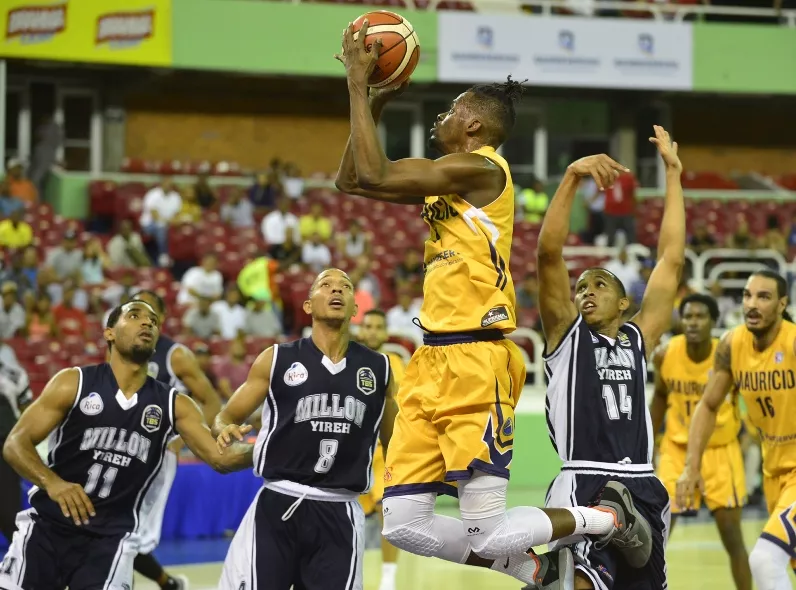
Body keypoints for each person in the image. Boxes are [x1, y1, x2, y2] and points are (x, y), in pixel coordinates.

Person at [334, 23, 646, 589]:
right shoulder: (445, 183)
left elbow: (375, 172)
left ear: (473, 124)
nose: (440, 118)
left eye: (450, 110)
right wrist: (371, 105)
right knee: (403, 524)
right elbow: (352, 180)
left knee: (485, 529)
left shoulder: (483, 170)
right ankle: (534, 566)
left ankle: (606, 519)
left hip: (477, 360)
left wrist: (359, 84)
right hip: (430, 363)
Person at [0, 300, 252, 590]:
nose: (147, 323)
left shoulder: (175, 404)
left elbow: (221, 458)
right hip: (48, 528)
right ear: (109, 333)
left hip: (111, 540)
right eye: (134, 316)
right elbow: (15, 444)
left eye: (153, 321)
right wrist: (53, 483)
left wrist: (268, 446)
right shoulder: (74, 382)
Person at [535, 126, 684, 589]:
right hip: (584, 481)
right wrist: (572, 178)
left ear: (625, 303)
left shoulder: (639, 339)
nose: (586, 292)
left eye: (599, 285)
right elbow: (547, 253)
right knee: (578, 583)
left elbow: (672, 261)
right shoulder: (566, 335)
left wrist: (673, 174)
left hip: (642, 482)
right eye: (581, 287)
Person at [212, 268, 398, 589]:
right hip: (280, 503)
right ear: (308, 305)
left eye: (345, 287)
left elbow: (396, 441)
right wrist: (224, 428)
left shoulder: (379, 368)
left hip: (340, 509)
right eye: (325, 285)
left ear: (356, 307)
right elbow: (225, 415)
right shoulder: (277, 359)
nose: (336, 291)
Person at [677, 270, 796, 590]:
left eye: (764, 297)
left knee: (765, 559)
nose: (752, 304)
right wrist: (691, 466)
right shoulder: (732, 344)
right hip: (775, 474)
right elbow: (708, 405)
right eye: (747, 295)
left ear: (782, 304)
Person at [651, 294, 750, 589]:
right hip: (676, 449)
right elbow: (659, 396)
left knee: (732, 535)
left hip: (720, 450)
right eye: (688, 316)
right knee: (659, 532)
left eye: (700, 317)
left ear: (714, 321)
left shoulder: (728, 354)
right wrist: (647, 443)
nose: (693, 322)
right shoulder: (666, 354)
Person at [127, 290, 223, 590]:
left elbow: (211, 403)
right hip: (119, 445)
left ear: (162, 319)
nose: (142, 318)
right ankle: (166, 583)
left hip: (156, 453)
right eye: (135, 311)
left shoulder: (175, 355)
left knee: (132, 535)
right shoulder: (119, 350)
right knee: (112, 529)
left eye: (149, 312)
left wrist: (185, 436)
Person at [358, 309, 404, 590]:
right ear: (361, 330)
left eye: (378, 326)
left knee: (388, 510)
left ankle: (388, 578)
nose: (373, 331)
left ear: (385, 332)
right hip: (352, 450)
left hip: (384, 452)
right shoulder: (350, 359)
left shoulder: (397, 364)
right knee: (347, 515)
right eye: (368, 326)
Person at [0, 359, 32, 546]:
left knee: (8, 512)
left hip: (4, 450)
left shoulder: (14, 374)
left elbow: (27, 412)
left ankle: (18, 564)